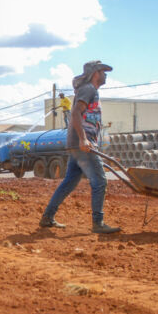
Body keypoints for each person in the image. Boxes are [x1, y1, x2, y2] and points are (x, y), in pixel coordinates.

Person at [39, 61, 121, 234]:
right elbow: (75, 112)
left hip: (78, 144)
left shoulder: (91, 90)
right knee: (100, 181)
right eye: (103, 71)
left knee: (69, 182)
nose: (106, 75)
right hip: (82, 143)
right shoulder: (88, 89)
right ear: (95, 73)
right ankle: (98, 223)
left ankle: (47, 217)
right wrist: (84, 139)